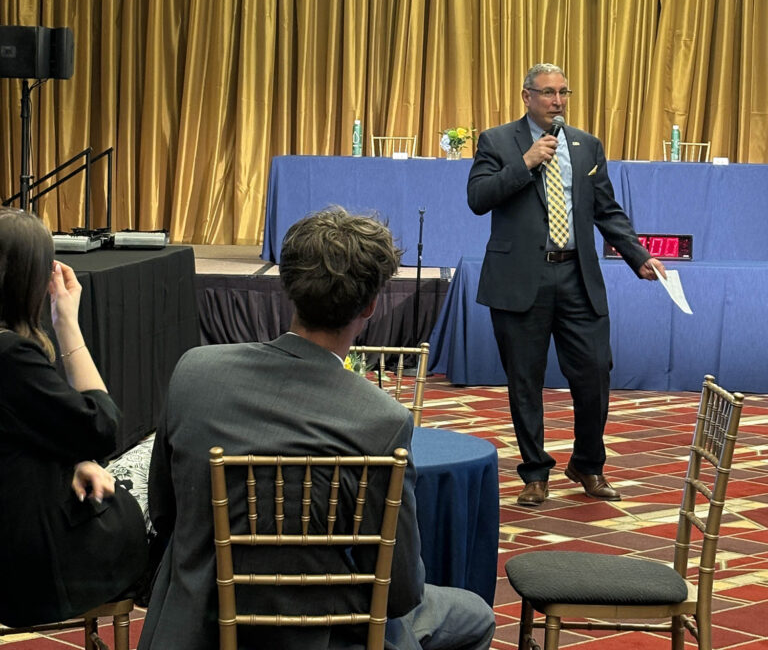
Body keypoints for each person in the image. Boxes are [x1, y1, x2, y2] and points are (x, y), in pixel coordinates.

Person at [139, 206, 495, 650]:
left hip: (194, 626)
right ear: (370, 304)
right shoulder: (380, 420)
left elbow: (164, 514)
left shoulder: (194, 371)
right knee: (475, 613)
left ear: (288, 287)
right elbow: (400, 590)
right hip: (321, 634)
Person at [467, 63, 666, 508]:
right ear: (526, 96)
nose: (557, 101)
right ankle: (535, 473)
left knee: (596, 373)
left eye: (563, 93)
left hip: (577, 276)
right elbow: (478, 199)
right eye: (548, 93)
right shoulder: (497, 141)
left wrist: (639, 255)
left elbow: (607, 211)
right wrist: (525, 163)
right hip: (521, 279)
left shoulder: (586, 145)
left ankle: (588, 464)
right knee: (525, 381)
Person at [0, 208, 148, 626]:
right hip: (29, 570)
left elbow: (22, 436)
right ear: (30, 280)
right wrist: (67, 323)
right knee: (149, 485)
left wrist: (74, 461)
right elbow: (101, 427)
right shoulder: (11, 356)